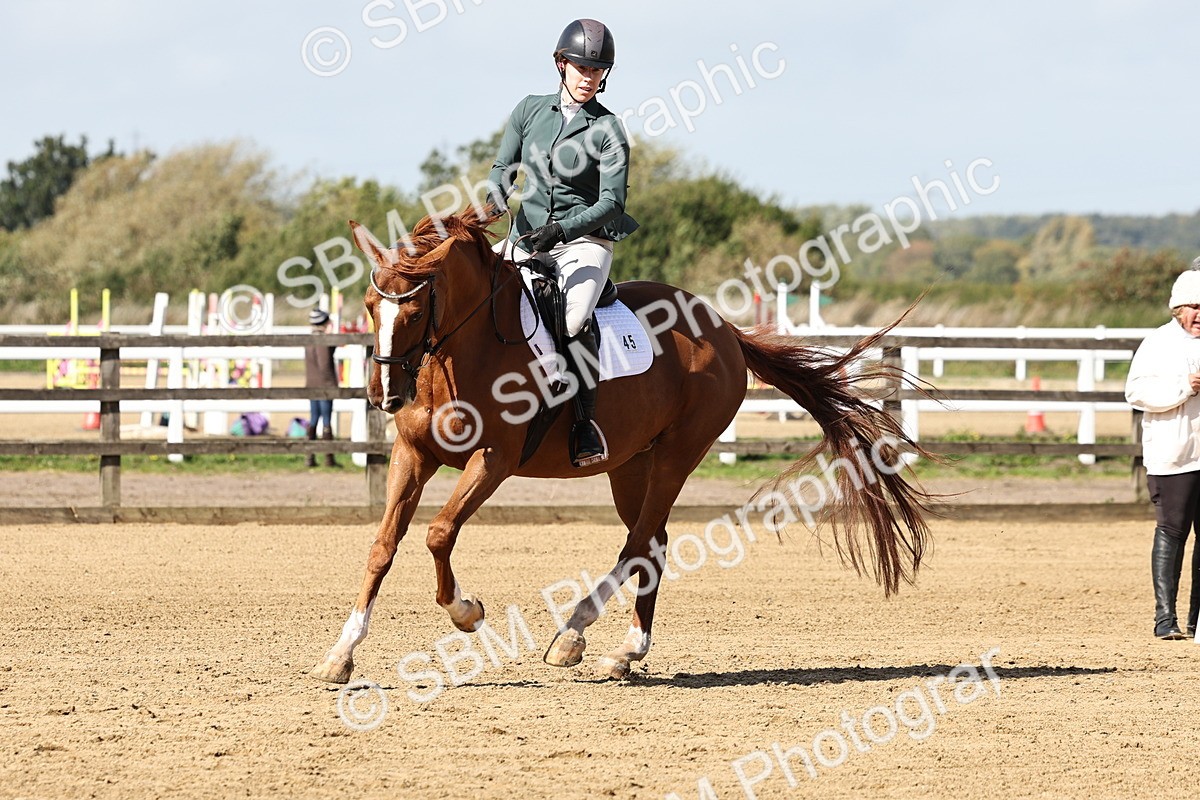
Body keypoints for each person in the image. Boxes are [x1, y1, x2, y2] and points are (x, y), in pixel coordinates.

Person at [487, 18, 639, 468]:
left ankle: (584, 424)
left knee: (572, 319)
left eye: (597, 71)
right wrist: (497, 192)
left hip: (585, 241)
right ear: (561, 64)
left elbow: (612, 202)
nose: (589, 78)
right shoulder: (529, 109)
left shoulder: (608, 129)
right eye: (581, 68)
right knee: (475, 293)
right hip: (524, 237)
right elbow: (501, 166)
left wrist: (562, 230)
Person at [1125, 262, 1200, 639]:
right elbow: (1136, 392)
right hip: (1174, 454)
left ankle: (1196, 621)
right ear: (1178, 309)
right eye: (1194, 307)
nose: (1199, 315)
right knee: (1172, 531)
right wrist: (1184, 386)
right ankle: (1165, 619)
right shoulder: (1158, 343)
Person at [305, 308, 341, 468]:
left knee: (314, 419)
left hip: (311, 384)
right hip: (324, 385)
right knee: (326, 419)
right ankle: (328, 457)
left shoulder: (309, 340)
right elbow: (324, 364)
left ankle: (310, 456)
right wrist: (331, 384)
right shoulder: (323, 340)